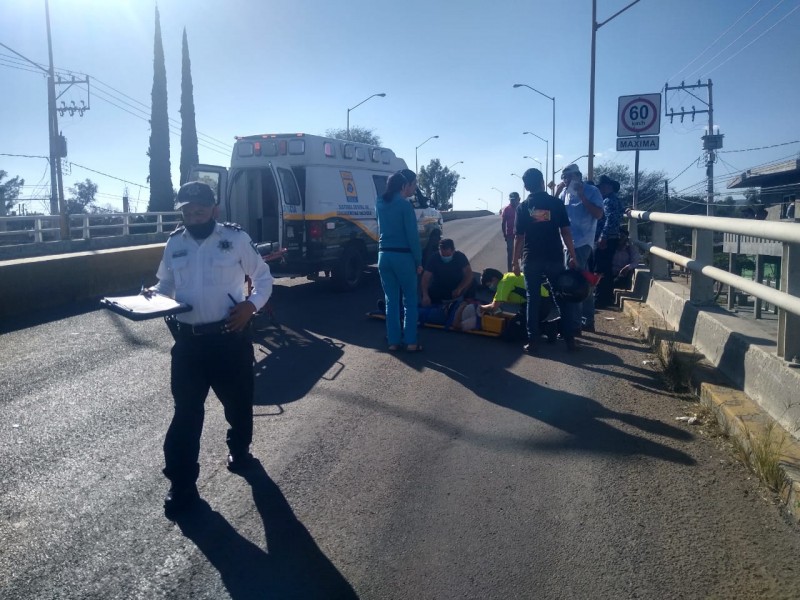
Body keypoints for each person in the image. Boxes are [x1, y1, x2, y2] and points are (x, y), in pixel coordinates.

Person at [145, 181, 274, 518]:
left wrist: (251, 306)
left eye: (199, 210)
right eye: (187, 211)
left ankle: (240, 450)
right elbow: (165, 284)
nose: (193, 216)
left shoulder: (235, 238)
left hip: (230, 339)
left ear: (214, 209)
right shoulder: (175, 242)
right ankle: (182, 485)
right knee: (186, 413)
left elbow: (263, 277)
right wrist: (152, 295)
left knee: (238, 403)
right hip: (188, 343)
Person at [513, 168, 579, 354]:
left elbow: (518, 237)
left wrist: (514, 262)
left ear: (526, 187)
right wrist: (573, 255)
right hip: (554, 257)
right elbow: (566, 232)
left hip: (531, 257)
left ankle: (533, 342)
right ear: (542, 182)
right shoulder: (556, 203)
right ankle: (570, 340)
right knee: (561, 297)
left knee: (532, 299)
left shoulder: (523, 207)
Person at [376, 169, 423, 352]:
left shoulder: (379, 202)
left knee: (391, 300)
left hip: (384, 255)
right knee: (410, 300)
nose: (414, 187)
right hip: (403, 256)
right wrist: (418, 261)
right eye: (413, 184)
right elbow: (412, 237)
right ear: (404, 186)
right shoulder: (405, 205)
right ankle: (411, 341)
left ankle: (393, 341)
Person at [555, 164, 603, 335]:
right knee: (583, 280)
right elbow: (554, 212)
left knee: (573, 282)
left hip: (582, 242)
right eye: (563, 177)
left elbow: (598, 214)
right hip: (567, 242)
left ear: (577, 176)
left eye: (568, 176)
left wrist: (582, 196)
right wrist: (557, 192)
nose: (565, 180)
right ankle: (587, 321)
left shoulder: (591, 191)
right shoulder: (564, 193)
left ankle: (575, 325)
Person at [593, 174, 625, 307]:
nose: (601, 189)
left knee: (600, 268)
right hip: (611, 238)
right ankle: (605, 297)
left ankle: (601, 299)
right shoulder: (615, 200)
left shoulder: (608, 201)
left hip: (606, 239)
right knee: (606, 268)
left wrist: (603, 236)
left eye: (603, 186)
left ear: (609, 187)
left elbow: (610, 220)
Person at [420, 238, 473, 306]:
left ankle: (467, 303)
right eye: (443, 255)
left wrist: (460, 288)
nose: (445, 257)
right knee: (426, 295)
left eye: (448, 255)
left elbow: (468, 274)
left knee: (472, 282)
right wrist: (425, 295)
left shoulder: (460, 256)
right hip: (440, 286)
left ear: (453, 251)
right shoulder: (434, 258)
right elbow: (425, 277)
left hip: (457, 286)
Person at [501, 192, 521, 271]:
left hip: (521, 235)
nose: (512, 202)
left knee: (522, 253)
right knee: (510, 253)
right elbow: (503, 222)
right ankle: (510, 271)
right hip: (510, 234)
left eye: (514, 200)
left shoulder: (522, 207)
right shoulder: (506, 209)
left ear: (518, 199)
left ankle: (522, 270)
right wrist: (504, 234)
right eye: (511, 200)